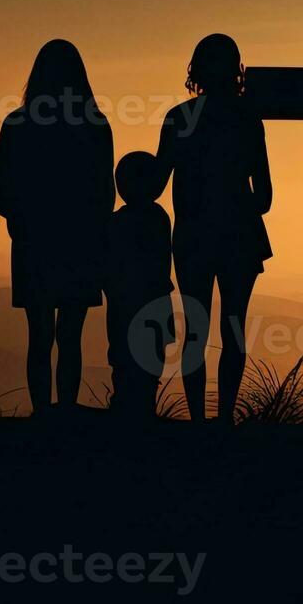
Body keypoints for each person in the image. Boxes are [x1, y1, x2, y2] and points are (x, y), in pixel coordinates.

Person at [0, 40, 114, 415]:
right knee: (70, 335)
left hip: (33, 242)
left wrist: (25, 221)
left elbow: (0, 196)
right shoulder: (94, 125)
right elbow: (105, 195)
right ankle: (66, 411)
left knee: (39, 335)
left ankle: (42, 413)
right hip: (81, 242)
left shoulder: (16, 124)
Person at [156, 33, 273, 423]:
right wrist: (235, 203)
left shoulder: (179, 119)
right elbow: (265, 197)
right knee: (234, 328)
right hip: (241, 235)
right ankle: (225, 419)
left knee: (195, 329)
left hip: (192, 237)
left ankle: (197, 422)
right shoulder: (247, 120)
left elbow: (155, 184)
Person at [106, 151, 176, 417]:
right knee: (149, 362)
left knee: (122, 358)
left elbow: (109, 267)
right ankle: (143, 409)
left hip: (124, 303)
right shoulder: (159, 218)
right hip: (155, 300)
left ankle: (125, 407)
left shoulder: (115, 222)